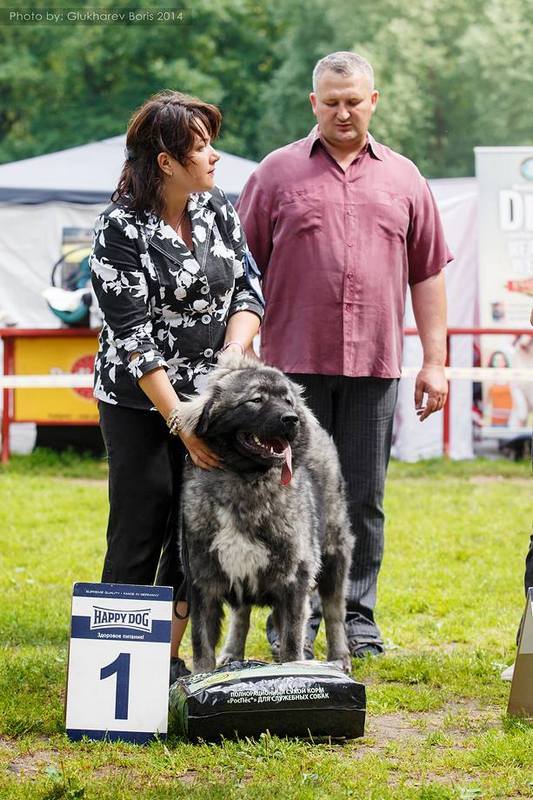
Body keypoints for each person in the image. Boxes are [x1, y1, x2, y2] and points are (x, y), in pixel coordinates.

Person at [237, 52, 451, 659]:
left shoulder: (406, 178)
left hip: (376, 367)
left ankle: (355, 617)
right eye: (331, 102)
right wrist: (241, 352)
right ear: (313, 105)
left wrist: (433, 362)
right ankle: (291, 618)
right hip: (292, 374)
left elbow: (428, 274)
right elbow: (241, 274)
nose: (343, 112)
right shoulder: (275, 175)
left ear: (374, 101)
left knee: (363, 496)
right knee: (287, 492)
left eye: (354, 100)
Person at [90, 90, 264, 683]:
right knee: (144, 519)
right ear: (166, 160)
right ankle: (116, 667)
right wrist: (181, 424)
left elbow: (248, 290)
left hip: (211, 399)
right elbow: (133, 337)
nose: (215, 156)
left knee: (200, 529)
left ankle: (163, 658)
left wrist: (234, 350)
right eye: (202, 146)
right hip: (142, 401)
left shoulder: (217, 209)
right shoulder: (119, 229)